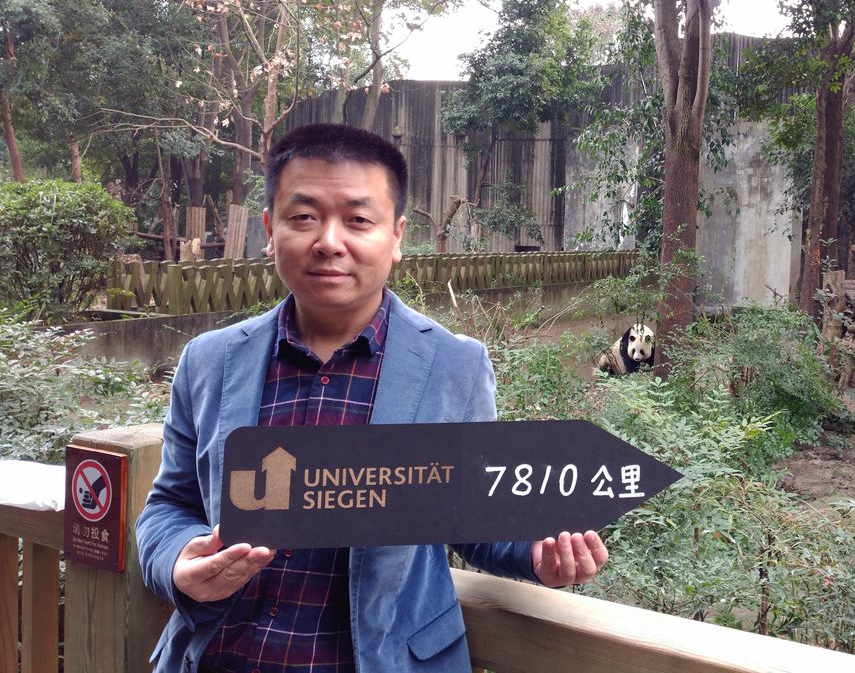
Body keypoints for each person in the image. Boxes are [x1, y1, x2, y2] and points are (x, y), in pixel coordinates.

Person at [135, 123, 608, 672]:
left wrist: (535, 553)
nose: (329, 241)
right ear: (269, 229)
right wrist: (177, 560)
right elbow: (171, 505)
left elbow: (473, 516)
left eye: (358, 220)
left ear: (397, 236)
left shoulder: (453, 366)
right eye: (303, 216)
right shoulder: (210, 361)